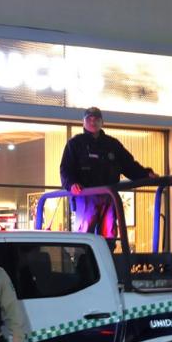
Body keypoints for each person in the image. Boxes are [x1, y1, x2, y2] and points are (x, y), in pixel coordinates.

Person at [59, 106, 157, 249]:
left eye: (96, 119)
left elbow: (129, 165)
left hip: (108, 196)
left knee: (109, 234)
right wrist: (71, 184)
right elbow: (65, 169)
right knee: (85, 235)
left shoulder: (112, 144)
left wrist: (146, 174)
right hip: (86, 196)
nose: (93, 122)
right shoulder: (75, 144)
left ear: (102, 122)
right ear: (83, 122)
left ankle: (107, 258)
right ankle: (84, 261)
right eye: (89, 119)